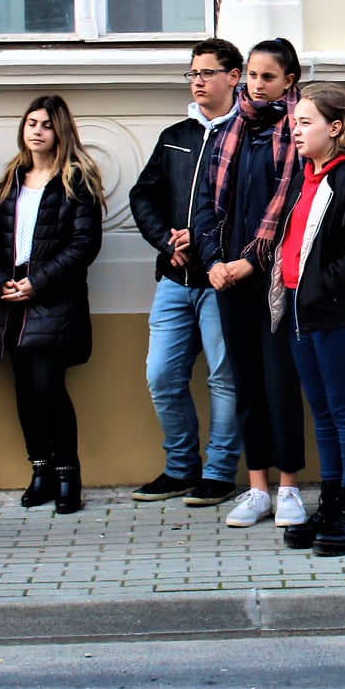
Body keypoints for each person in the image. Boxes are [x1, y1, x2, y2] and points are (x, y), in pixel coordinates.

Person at [194, 38, 308, 528]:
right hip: (229, 280)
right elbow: (204, 204)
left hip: (275, 280)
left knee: (280, 383)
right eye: (253, 76)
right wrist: (213, 261)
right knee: (246, 384)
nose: (257, 85)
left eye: (268, 77)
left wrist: (250, 262)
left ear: (289, 81)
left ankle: (289, 488)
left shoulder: (298, 132)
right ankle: (257, 487)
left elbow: (294, 209)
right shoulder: (229, 130)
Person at [271, 85, 345, 556]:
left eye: (305, 122)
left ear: (335, 128)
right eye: (294, 122)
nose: (295, 130)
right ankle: (333, 503)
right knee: (323, 413)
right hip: (303, 312)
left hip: (337, 313)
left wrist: (321, 285)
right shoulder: (307, 178)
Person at [128, 38, 245, 508]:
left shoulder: (249, 135)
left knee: (224, 379)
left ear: (233, 77)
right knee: (161, 375)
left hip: (222, 281)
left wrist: (208, 246)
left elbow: (255, 211)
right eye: (193, 73)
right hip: (175, 279)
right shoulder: (177, 134)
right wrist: (167, 241)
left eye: (207, 72)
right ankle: (180, 468)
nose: (197, 81)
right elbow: (143, 195)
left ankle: (219, 473)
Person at [0, 95, 104, 515]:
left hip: (53, 299)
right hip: (11, 299)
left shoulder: (76, 180)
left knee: (48, 386)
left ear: (60, 130)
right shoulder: (12, 179)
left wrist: (39, 282)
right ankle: (41, 469)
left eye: (46, 124)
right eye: (31, 123)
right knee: (25, 390)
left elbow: (84, 244)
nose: (37, 131)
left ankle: (69, 474)